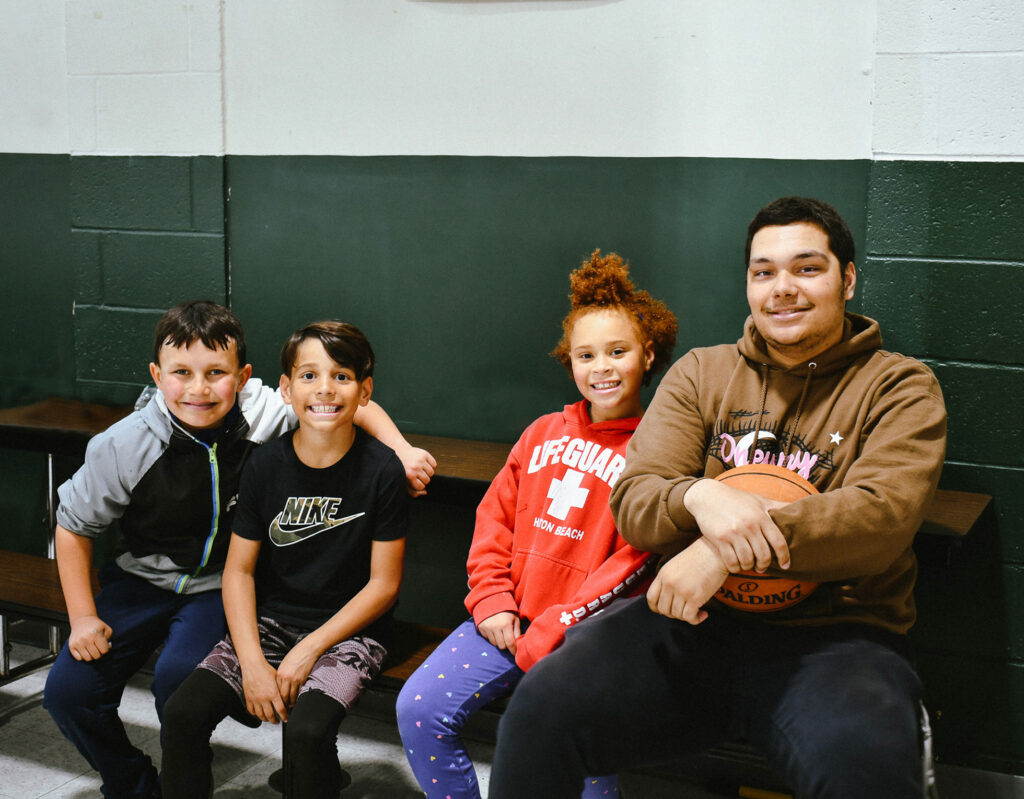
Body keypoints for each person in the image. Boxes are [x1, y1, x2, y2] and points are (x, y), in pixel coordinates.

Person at [488, 197, 948, 799]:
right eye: (764, 272)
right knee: (538, 710)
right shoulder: (701, 373)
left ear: (849, 279)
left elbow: (880, 519)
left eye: (807, 268)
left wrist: (719, 553)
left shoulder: (900, 386)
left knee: (869, 771)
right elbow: (637, 498)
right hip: (689, 622)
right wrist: (702, 495)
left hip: (838, 637)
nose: (782, 288)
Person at [43, 302, 433, 799]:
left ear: (244, 377)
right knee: (68, 693)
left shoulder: (266, 410)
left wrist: (401, 450)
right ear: (156, 376)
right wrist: (81, 617)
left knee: (179, 680)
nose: (199, 389)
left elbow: (343, 399)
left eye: (216, 374)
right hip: (141, 580)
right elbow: (73, 525)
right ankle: (135, 785)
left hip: (215, 587)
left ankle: (191, 768)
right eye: (181, 373)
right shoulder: (123, 445)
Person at [396, 250, 678, 799]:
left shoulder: (658, 450)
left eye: (617, 352)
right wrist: (493, 600)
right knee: (420, 708)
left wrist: (557, 627)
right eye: (586, 355)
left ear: (647, 356)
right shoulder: (542, 432)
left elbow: (633, 561)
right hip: (509, 621)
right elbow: (492, 521)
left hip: (591, 639)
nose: (602, 367)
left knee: (587, 754)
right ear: (569, 361)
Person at [160, 320, 409, 798]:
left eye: (342, 376)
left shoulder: (382, 471)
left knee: (308, 732)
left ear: (364, 390)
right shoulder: (265, 464)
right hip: (272, 623)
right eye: (309, 376)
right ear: (286, 388)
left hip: (351, 633)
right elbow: (239, 570)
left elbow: (384, 586)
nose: (325, 390)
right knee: (182, 713)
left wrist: (309, 649)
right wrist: (252, 663)